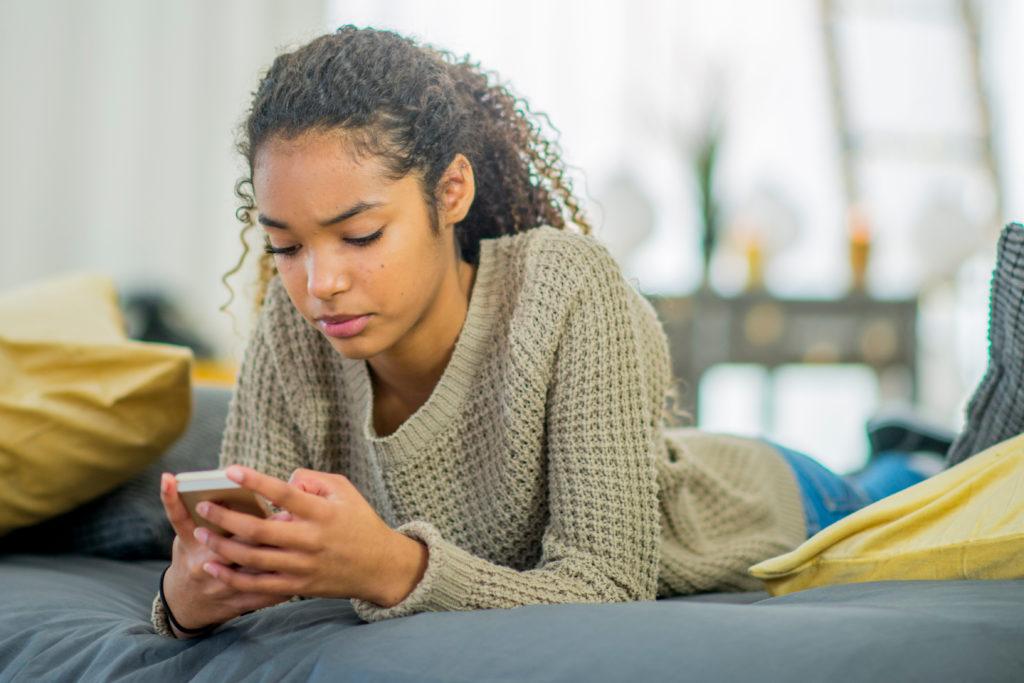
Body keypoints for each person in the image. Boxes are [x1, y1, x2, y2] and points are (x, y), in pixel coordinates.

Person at [149, 25, 971, 639]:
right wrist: (189, 595)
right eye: (285, 245)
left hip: (776, 502)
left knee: (914, 491)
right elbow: (243, 569)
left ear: (452, 192)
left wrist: (391, 566)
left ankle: (907, 449)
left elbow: (609, 582)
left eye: (360, 236)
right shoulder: (293, 333)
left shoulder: (564, 289)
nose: (319, 282)